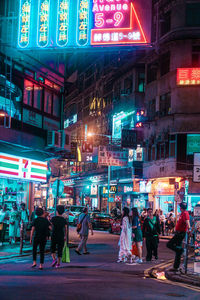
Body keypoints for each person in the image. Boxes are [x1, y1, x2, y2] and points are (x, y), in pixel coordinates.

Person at [167, 202, 190, 271]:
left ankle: (181, 250)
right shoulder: (182, 213)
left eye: (180, 207)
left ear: (181, 208)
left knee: (169, 244)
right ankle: (176, 267)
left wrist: (189, 230)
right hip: (179, 232)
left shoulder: (185, 214)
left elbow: (187, 223)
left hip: (180, 233)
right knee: (177, 252)